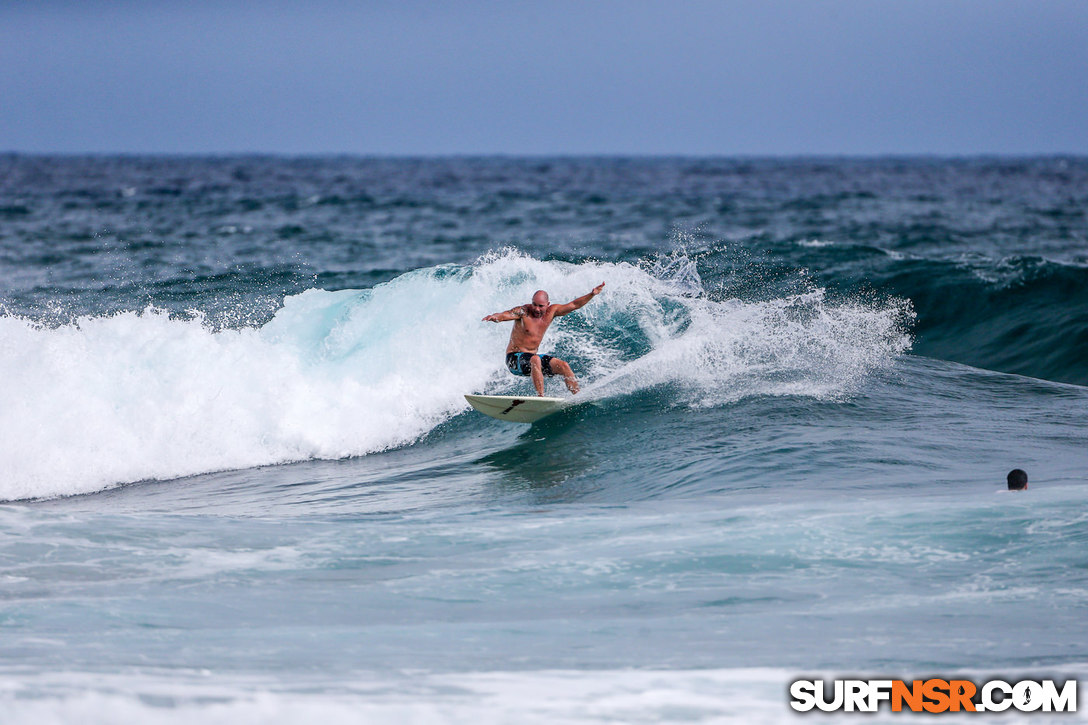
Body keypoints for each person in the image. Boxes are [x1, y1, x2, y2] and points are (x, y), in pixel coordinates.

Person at [482, 283, 605, 396]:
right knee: (535, 359)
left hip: (533, 361)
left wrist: (591, 294)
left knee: (563, 366)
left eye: (540, 306)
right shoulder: (523, 311)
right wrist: (495, 317)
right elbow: (506, 314)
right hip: (514, 359)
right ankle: (541, 397)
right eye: (534, 304)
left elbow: (574, 305)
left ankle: (577, 395)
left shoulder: (552, 312)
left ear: (548, 304)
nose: (536, 309)